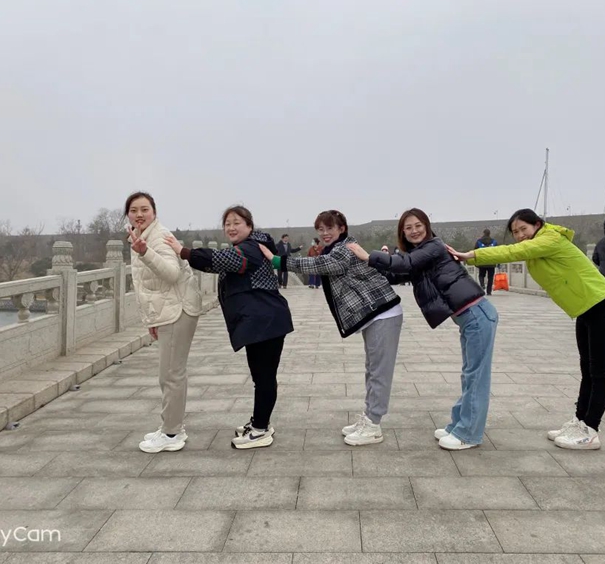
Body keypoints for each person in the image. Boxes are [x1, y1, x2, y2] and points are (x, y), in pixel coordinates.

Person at [447, 209, 605, 450]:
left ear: (537, 224)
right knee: (587, 370)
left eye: (523, 229)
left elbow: (513, 252)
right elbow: (517, 250)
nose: (520, 236)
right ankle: (580, 421)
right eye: (515, 232)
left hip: (603, 306)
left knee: (599, 373)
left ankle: (590, 430)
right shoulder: (539, 244)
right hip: (586, 309)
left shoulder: (550, 239)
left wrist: (471, 255)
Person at [348, 208, 498, 450]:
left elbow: (405, 263)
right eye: (408, 228)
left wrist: (369, 256)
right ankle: (458, 425)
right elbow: (399, 273)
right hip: (470, 318)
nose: (414, 231)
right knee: (469, 373)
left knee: (476, 375)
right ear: (402, 233)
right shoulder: (419, 254)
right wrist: (379, 263)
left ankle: (469, 434)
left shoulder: (434, 246)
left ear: (427, 226)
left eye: (418, 225)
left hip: (477, 313)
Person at [259, 209, 403, 446]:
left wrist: (278, 261)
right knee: (372, 369)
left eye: (330, 228)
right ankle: (370, 417)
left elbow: (319, 264)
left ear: (341, 229)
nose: (325, 233)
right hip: (375, 314)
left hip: (383, 313)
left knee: (379, 372)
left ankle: (374, 425)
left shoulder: (344, 249)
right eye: (321, 229)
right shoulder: (336, 247)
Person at [164, 206, 293, 449]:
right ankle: (261, 422)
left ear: (249, 226)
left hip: (266, 321)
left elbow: (219, 260)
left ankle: (260, 430)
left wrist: (183, 251)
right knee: (261, 376)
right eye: (227, 224)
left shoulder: (251, 248)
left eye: (237, 223)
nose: (231, 228)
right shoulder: (250, 245)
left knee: (264, 377)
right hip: (262, 322)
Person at [125, 191, 200, 454]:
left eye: (144, 209)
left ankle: (171, 433)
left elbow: (170, 273)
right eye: (134, 210)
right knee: (169, 373)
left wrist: (145, 252)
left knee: (171, 374)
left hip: (178, 309)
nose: (139, 214)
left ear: (154, 212)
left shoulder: (158, 237)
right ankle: (172, 426)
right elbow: (149, 286)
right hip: (169, 309)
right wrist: (152, 319)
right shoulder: (141, 236)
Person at [475, 229, 498, 295]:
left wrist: (475, 262)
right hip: (491, 262)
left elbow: (475, 251)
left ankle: (482, 285)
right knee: (490, 277)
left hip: (482, 262)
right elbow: (498, 251)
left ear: (483, 233)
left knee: (481, 275)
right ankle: (489, 291)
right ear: (489, 233)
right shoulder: (494, 241)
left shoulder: (479, 241)